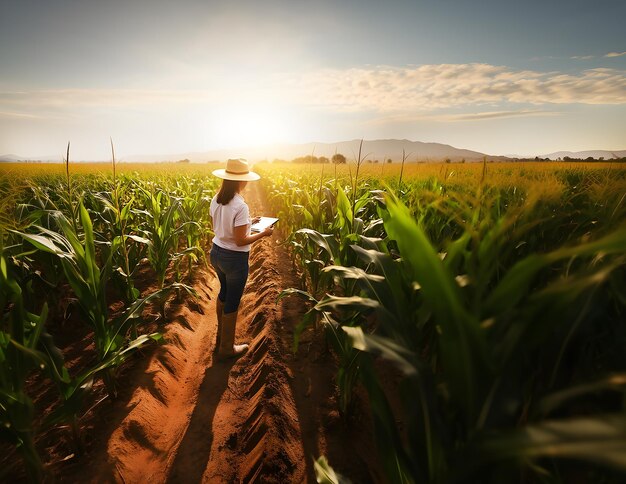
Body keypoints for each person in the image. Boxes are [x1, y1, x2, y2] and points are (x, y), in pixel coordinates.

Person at [209, 158, 274, 359]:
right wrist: (263, 233)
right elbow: (240, 241)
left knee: (224, 291)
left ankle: (221, 336)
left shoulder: (216, 199)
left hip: (216, 253)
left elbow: (220, 226)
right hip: (234, 260)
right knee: (233, 300)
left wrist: (248, 222)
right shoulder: (240, 205)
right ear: (240, 181)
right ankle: (227, 349)